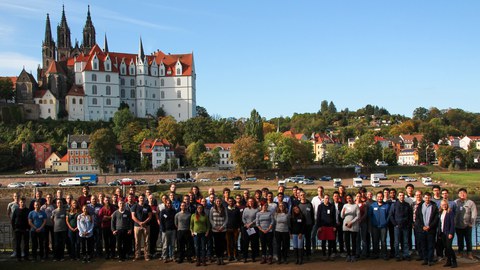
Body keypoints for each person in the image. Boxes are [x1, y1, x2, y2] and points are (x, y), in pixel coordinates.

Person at [415, 192, 439, 266]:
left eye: (428, 197)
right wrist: (422, 226)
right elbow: (417, 218)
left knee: (431, 245)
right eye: (425, 197)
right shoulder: (420, 206)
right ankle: (425, 259)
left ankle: (430, 260)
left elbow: (436, 218)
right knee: (423, 245)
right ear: (423, 198)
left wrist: (430, 226)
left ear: (430, 198)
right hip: (422, 229)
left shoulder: (434, 206)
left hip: (431, 229)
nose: (427, 199)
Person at [454, 188, 477, 260]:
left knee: (468, 240)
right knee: (459, 240)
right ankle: (460, 252)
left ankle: (469, 253)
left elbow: (474, 214)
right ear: (458, 194)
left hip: (467, 225)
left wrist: (471, 223)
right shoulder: (455, 202)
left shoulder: (471, 203)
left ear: (466, 194)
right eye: (460, 193)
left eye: (464, 193)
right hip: (458, 225)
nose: (462, 194)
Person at [389, 191, 412, 261]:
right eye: (400, 195)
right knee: (396, 242)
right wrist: (395, 224)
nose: (401, 196)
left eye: (403, 195)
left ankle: (406, 254)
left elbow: (410, 215)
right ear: (398, 196)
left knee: (405, 241)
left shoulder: (407, 205)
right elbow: (391, 215)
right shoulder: (394, 205)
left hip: (405, 226)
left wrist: (408, 224)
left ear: (404, 196)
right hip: (397, 226)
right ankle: (397, 255)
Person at [368, 191, 390, 260]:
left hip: (383, 227)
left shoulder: (386, 205)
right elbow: (369, 215)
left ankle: (384, 254)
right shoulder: (372, 205)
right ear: (376, 197)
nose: (380, 198)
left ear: (383, 197)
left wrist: (385, 222)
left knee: (383, 241)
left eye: (381, 196)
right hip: (375, 227)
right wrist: (373, 222)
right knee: (375, 240)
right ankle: (375, 254)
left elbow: (389, 216)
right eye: (378, 197)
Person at [131, 194, 152, 261]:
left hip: (146, 226)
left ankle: (146, 255)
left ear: (144, 199)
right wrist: (139, 223)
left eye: (143, 198)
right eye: (140, 198)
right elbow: (133, 216)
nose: (141, 199)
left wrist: (144, 222)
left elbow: (150, 216)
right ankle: (137, 255)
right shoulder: (135, 206)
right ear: (138, 199)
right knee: (137, 241)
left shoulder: (148, 206)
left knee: (146, 241)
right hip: (137, 226)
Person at [341, 194, 360, 262]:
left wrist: (351, 222)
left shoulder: (356, 206)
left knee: (353, 241)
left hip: (353, 225)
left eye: (350, 198)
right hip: (346, 225)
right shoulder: (345, 205)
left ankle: (353, 255)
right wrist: (343, 212)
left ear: (352, 198)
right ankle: (348, 254)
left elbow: (358, 216)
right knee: (347, 241)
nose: (349, 199)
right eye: (347, 198)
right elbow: (342, 216)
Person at [317, 194, 336, 261]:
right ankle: (324, 255)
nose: (326, 199)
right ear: (323, 199)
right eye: (325, 198)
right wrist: (319, 226)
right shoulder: (320, 206)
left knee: (330, 241)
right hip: (323, 226)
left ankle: (330, 254)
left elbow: (334, 217)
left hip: (330, 227)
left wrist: (334, 226)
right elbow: (318, 217)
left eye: (328, 198)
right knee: (323, 242)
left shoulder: (332, 206)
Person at [210, 198, 228, 265]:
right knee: (217, 244)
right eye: (217, 201)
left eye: (219, 201)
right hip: (215, 230)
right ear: (215, 202)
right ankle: (218, 258)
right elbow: (210, 218)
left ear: (221, 202)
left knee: (222, 244)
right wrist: (215, 226)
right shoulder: (212, 209)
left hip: (223, 229)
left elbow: (226, 218)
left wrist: (222, 226)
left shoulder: (224, 208)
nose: (218, 202)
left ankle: (222, 258)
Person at [439, 199, 457, 268]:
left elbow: (452, 224)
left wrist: (451, 233)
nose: (444, 206)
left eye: (445, 204)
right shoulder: (441, 212)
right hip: (443, 233)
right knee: (446, 248)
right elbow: (440, 223)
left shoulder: (450, 212)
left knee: (449, 247)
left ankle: (454, 261)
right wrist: (439, 233)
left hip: (449, 232)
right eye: (442, 205)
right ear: (441, 205)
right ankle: (448, 261)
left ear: (447, 204)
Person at [297, 190, 314, 259]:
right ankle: (301, 254)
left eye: (304, 195)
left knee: (308, 240)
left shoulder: (309, 204)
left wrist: (312, 223)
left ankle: (308, 254)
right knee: (301, 240)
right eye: (301, 195)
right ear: (299, 196)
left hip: (308, 225)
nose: (303, 196)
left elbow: (312, 214)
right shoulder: (298, 205)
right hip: (301, 226)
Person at [11, 197, 29, 261]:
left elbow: (29, 220)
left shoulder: (28, 210)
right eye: (21, 202)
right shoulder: (16, 210)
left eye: (23, 202)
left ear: (25, 202)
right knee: (18, 244)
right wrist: (14, 228)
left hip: (26, 229)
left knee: (26, 244)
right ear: (19, 202)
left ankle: (26, 257)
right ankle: (19, 257)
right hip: (18, 229)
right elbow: (13, 220)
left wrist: (28, 228)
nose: (22, 203)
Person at [242, 198, 259, 263]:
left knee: (253, 243)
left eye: (252, 201)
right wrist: (246, 224)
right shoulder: (245, 209)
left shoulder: (257, 209)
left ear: (254, 202)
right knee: (245, 243)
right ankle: (245, 257)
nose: (250, 202)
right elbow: (243, 218)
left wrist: (251, 223)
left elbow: (257, 218)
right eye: (249, 201)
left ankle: (253, 257)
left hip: (253, 228)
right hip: (246, 228)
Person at [226, 197, 241, 261]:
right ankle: (229, 255)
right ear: (228, 202)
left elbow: (239, 219)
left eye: (232, 201)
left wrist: (239, 227)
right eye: (229, 201)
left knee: (235, 243)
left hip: (235, 229)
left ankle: (235, 255)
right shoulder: (225, 209)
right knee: (228, 243)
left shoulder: (237, 209)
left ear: (233, 202)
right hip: (227, 229)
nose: (231, 202)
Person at [40, 194, 55, 259]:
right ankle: (46, 254)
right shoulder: (43, 207)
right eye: (48, 197)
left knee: (54, 240)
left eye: (50, 197)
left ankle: (54, 254)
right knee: (46, 240)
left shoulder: (54, 206)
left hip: (53, 225)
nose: (49, 199)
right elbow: (40, 215)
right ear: (46, 198)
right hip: (45, 225)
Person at [311, 186, 324, 252]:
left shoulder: (325, 198)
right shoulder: (314, 199)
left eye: (321, 191)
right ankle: (314, 248)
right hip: (315, 220)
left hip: (324, 221)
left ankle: (323, 248)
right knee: (313, 235)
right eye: (319, 191)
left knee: (323, 235)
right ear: (317, 191)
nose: (320, 192)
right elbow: (312, 209)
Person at [332, 191, 345, 256]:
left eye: (337, 196)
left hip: (340, 224)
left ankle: (341, 251)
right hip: (333, 225)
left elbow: (344, 215)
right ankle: (334, 251)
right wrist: (333, 224)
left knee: (341, 238)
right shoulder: (331, 205)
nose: (336, 197)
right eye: (335, 196)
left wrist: (341, 222)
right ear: (333, 197)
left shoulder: (342, 205)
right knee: (333, 238)